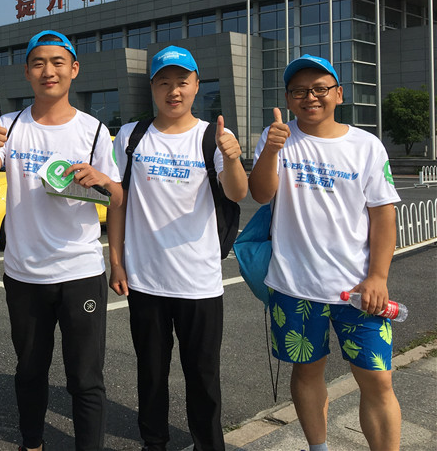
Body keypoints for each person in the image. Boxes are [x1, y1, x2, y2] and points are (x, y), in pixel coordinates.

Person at [0, 30, 122, 451]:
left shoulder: (93, 130)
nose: (48, 71)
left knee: (86, 377)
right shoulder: (10, 126)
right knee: (30, 370)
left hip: (80, 271)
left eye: (58, 62)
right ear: (27, 72)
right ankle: (32, 444)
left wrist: (101, 179)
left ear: (74, 69)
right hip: (25, 273)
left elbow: (119, 196)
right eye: (38, 63)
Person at [247, 54, 401, 451]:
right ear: (288, 98)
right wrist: (271, 150)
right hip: (294, 286)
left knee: (378, 380)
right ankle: (318, 447)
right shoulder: (277, 137)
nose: (310, 97)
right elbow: (261, 194)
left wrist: (378, 276)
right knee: (307, 372)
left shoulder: (366, 146)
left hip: (358, 290)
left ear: (339, 94)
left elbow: (384, 215)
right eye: (299, 91)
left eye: (320, 89)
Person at [107, 45, 247, 451]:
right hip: (146, 279)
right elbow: (118, 202)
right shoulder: (131, 136)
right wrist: (116, 262)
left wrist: (232, 159)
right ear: (152, 87)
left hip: (199, 281)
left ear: (196, 85)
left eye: (182, 82)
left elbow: (237, 193)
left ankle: (209, 444)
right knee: (151, 372)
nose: (174, 91)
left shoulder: (213, 137)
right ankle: (154, 442)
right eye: (164, 82)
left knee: (203, 375)